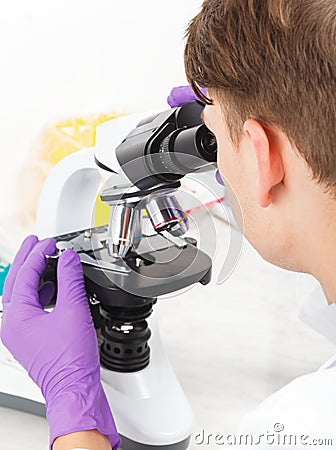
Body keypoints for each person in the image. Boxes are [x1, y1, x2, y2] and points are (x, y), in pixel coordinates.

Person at [2, 0, 336, 448]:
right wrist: (237, 146)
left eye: (215, 135)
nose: (212, 152)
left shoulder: (294, 429)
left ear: (264, 158)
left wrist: (73, 407)